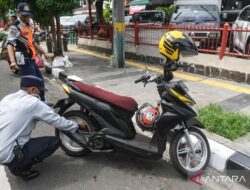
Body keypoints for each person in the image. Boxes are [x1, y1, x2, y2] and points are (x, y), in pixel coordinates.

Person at [0, 75, 86, 180]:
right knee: (54, 142)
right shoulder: (33, 103)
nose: (40, 93)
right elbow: (57, 121)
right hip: (7, 153)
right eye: (39, 90)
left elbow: (25, 109)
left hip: (3, 146)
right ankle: (20, 167)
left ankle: (15, 161)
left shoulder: (8, 98)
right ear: (32, 89)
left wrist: (42, 106)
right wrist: (76, 125)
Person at [6, 2, 49, 102]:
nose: (26, 17)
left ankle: (41, 102)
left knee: (39, 82)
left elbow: (32, 41)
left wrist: (44, 52)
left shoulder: (28, 25)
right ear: (18, 13)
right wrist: (12, 61)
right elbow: (10, 44)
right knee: (30, 86)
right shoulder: (15, 27)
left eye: (28, 15)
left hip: (31, 59)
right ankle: (30, 106)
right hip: (24, 60)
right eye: (24, 15)